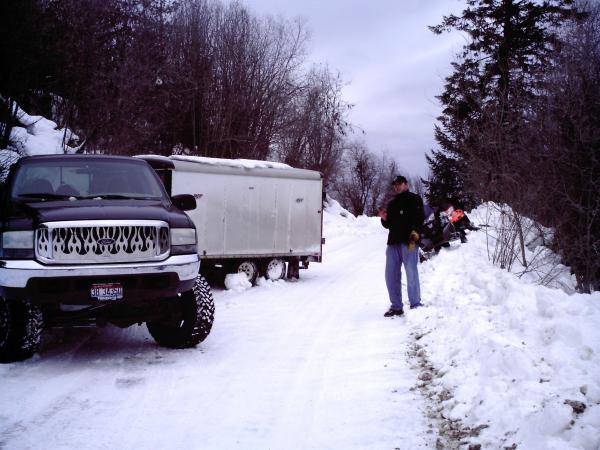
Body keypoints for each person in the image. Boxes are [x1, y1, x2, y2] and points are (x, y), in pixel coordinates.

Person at [378, 175, 424, 317]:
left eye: (399, 184)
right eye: (395, 185)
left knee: (411, 272)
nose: (397, 186)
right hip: (393, 244)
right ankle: (396, 306)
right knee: (390, 275)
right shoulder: (392, 203)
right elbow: (389, 224)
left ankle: (415, 304)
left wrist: (413, 240)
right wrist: (384, 219)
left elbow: (419, 221)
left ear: (406, 184)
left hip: (409, 242)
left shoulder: (414, 199)